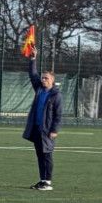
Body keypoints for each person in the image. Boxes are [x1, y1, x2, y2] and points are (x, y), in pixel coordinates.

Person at [24, 58, 63, 191]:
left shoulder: (56, 95)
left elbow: (58, 115)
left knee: (47, 155)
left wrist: (54, 130)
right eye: (42, 78)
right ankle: (42, 180)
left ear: (52, 80)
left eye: (46, 78)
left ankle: (48, 182)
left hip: (47, 131)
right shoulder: (39, 90)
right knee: (40, 155)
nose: (43, 80)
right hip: (37, 129)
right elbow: (32, 74)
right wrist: (33, 59)